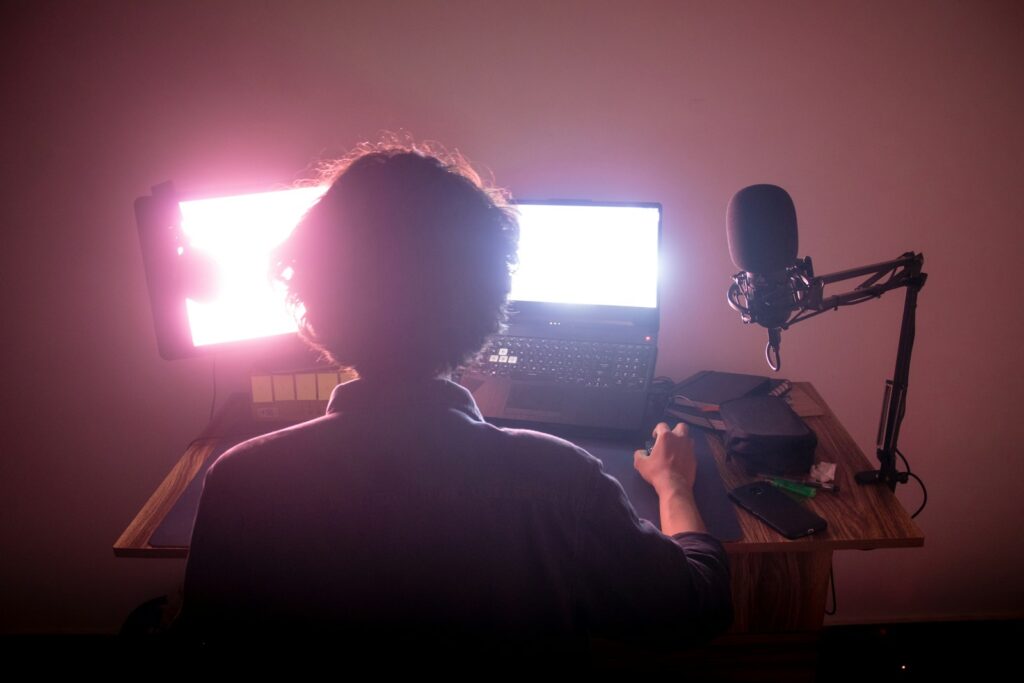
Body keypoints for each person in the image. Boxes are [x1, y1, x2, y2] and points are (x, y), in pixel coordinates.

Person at [177, 140, 732, 657]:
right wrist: (675, 486)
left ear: (314, 303)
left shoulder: (240, 482)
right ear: (491, 302)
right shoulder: (560, 479)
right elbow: (695, 606)